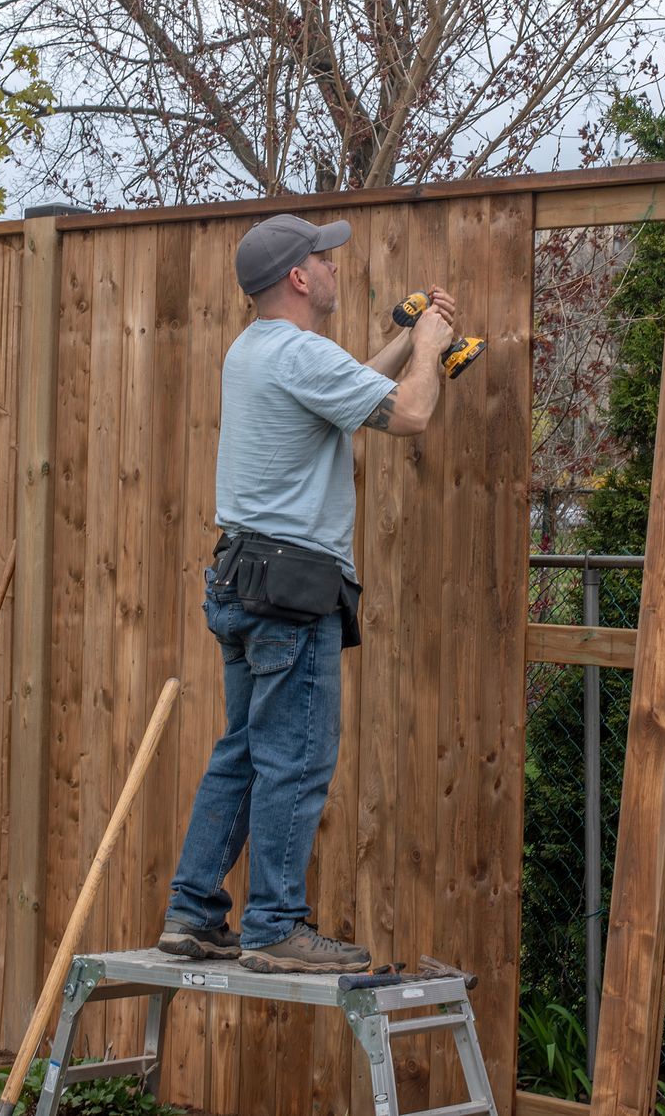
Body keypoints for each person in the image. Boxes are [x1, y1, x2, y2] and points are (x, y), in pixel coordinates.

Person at [157, 212, 459, 974]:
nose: (335, 267)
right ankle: (275, 927)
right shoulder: (300, 356)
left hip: (242, 583)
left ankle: (193, 913)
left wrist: (407, 341)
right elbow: (412, 414)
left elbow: (348, 386)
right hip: (293, 593)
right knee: (296, 758)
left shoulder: (258, 350)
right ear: (299, 277)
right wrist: (430, 350)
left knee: (246, 753)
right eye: (325, 258)